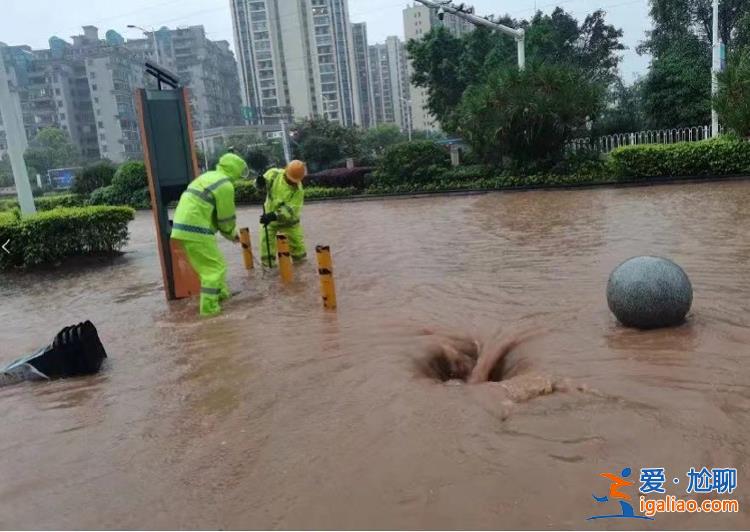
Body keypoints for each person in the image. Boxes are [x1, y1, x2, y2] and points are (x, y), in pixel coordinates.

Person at [171, 152, 249, 316]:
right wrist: (231, 234)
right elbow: (225, 218)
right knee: (214, 269)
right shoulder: (225, 185)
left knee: (211, 265)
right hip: (196, 227)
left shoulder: (210, 176)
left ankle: (222, 295)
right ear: (235, 170)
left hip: (183, 227)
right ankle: (210, 312)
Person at [256, 160, 307, 266]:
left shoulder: (298, 190)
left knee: (298, 250)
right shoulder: (274, 174)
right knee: (266, 244)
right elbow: (262, 186)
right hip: (270, 220)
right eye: (291, 179)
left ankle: (301, 266)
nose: (292, 182)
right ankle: (268, 267)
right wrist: (259, 183)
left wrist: (274, 215)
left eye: (295, 181)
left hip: (290, 222)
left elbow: (290, 210)